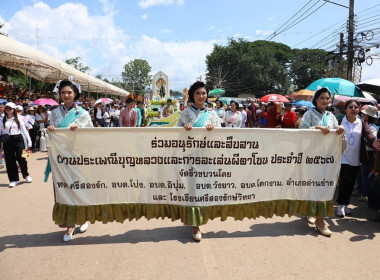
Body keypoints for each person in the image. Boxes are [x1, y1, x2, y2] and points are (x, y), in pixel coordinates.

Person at [47, 79, 93, 242]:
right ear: (59, 94)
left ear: (75, 94)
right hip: (60, 159)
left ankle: (83, 216)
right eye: (63, 92)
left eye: (69, 92)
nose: (66, 95)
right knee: (63, 189)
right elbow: (51, 137)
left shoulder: (83, 114)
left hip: (77, 158)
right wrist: (51, 130)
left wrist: (78, 131)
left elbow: (91, 136)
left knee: (78, 188)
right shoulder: (54, 113)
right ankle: (69, 224)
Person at [176, 81, 221, 241]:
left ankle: (200, 216)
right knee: (193, 189)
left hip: (207, 157)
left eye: (203, 93)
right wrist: (184, 129)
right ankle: (195, 224)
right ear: (192, 96)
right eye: (197, 93)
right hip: (190, 158)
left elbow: (221, 135)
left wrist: (212, 131)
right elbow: (175, 134)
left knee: (204, 189)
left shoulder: (212, 114)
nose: (201, 96)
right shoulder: (186, 113)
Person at [299, 87, 345, 236]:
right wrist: (317, 127)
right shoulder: (309, 114)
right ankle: (311, 212)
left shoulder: (331, 116)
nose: (325, 101)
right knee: (312, 185)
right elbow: (301, 131)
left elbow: (335, 132)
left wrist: (340, 129)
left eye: (327, 98)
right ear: (316, 100)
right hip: (312, 156)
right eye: (322, 98)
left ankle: (320, 218)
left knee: (325, 186)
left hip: (327, 158)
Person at [336, 100, 377, 218]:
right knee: (344, 181)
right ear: (346, 109)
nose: (353, 109)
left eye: (356, 107)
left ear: (359, 109)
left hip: (356, 158)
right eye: (350, 107)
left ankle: (346, 204)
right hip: (342, 156)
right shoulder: (340, 121)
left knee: (351, 182)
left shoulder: (362, 122)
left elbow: (368, 133)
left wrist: (374, 141)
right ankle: (340, 205)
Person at [0, 102, 32, 188]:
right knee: (10, 160)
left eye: (10, 108)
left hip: (18, 138)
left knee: (22, 158)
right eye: (6, 108)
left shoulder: (18, 118)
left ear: (13, 109)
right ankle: (13, 180)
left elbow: (24, 130)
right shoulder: (2, 119)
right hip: (7, 140)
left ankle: (26, 175)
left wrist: (29, 141)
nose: (8, 110)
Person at [356, 105, 379, 203]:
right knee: (360, 174)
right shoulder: (364, 125)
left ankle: (365, 194)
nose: (362, 114)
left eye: (364, 114)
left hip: (369, 154)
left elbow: (372, 143)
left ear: (368, 116)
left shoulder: (372, 128)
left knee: (365, 174)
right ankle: (360, 190)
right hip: (364, 153)